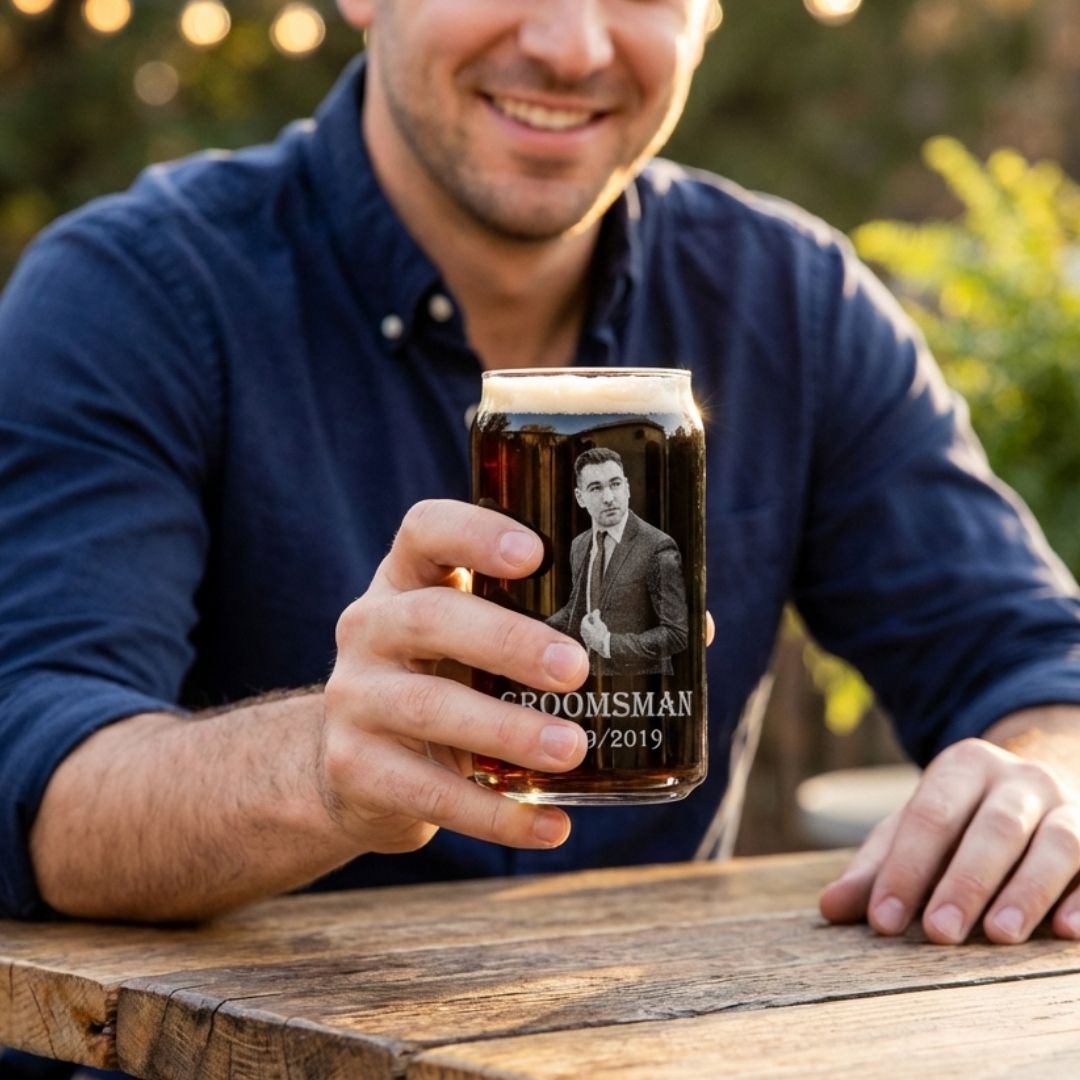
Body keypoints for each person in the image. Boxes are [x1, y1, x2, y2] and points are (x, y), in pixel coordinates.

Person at [2, 0, 1080, 1015]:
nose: (572, 44)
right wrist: (320, 770)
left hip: (647, 1041)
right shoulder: (134, 292)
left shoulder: (792, 301)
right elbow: (31, 766)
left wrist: (1038, 785)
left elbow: (1031, 661)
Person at [547, 448, 689, 675]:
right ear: (580, 497)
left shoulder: (658, 546)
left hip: (643, 696)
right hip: (589, 687)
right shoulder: (580, 545)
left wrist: (608, 643)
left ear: (627, 488)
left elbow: (677, 634)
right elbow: (577, 608)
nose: (609, 498)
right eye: (596, 488)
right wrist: (530, 633)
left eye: (615, 484)